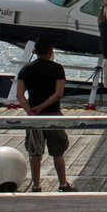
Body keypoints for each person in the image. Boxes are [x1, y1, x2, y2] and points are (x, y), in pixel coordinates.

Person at [16, 36, 76, 192]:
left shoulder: (26, 69)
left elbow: (20, 95)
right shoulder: (57, 69)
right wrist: (43, 106)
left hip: (34, 117)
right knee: (58, 152)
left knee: (35, 152)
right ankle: (63, 183)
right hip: (53, 114)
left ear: (35, 51)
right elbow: (58, 93)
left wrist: (30, 110)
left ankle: (36, 185)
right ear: (51, 52)